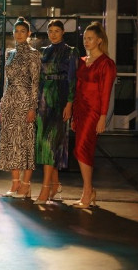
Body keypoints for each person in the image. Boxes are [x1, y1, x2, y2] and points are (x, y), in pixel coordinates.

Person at [33, 20, 80, 204]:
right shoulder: (44, 51)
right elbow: (39, 78)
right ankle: (55, 184)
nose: (53, 34)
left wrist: (69, 103)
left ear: (63, 32)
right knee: (45, 143)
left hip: (60, 99)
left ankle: (45, 189)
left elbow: (72, 79)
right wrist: (36, 101)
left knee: (52, 143)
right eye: (50, 31)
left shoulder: (71, 51)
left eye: (57, 31)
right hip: (44, 99)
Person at [72, 21, 116, 208]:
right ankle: (88, 191)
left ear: (99, 40)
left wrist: (102, 117)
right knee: (81, 149)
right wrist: (74, 114)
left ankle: (88, 191)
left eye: (90, 38)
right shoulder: (82, 61)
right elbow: (78, 88)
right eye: (85, 38)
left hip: (94, 112)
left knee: (81, 148)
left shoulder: (106, 64)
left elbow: (106, 93)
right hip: (80, 110)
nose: (86, 41)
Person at [0, 17, 41, 199]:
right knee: (11, 143)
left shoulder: (33, 54)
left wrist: (32, 107)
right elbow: (6, 82)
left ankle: (26, 184)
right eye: (16, 31)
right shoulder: (10, 53)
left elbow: (35, 83)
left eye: (23, 31)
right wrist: (2, 105)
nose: (19, 34)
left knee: (25, 143)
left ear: (29, 33)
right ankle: (15, 182)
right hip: (10, 101)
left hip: (25, 101)